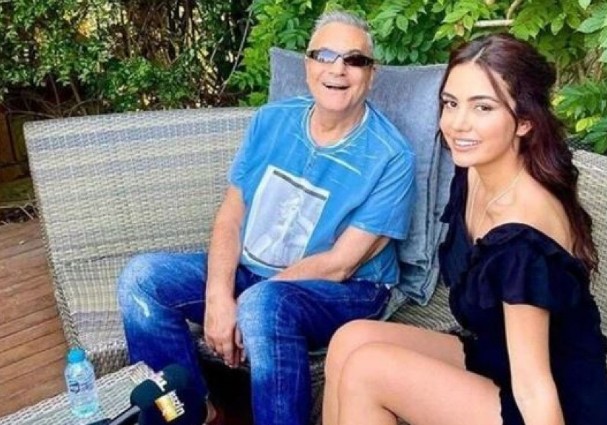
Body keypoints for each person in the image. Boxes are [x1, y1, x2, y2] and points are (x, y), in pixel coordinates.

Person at [117, 10, 415, 425]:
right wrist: (218, 297)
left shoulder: (392, 156)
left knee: (264, 303)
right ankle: (191, 414)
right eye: (325, 55)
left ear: (371, 74)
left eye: (354, 60)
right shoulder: (272, 120)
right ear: (307, 64)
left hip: (348, 290)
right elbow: (230, 216)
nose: (338, 69)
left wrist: (244, 304)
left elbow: (341, 264)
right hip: (256, 274)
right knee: (142, 279)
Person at [322, 34, 607, 425]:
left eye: (483, 107)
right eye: (451, 103)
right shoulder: (475, 171)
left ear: (525, 121)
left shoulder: (521, 234)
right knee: (350, 339)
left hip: (554, 401)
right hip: (496, 358)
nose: (458, 124)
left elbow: (534, 387)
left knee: (368, 370)